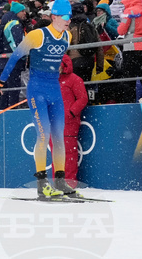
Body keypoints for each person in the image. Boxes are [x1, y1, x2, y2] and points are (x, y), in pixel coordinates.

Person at [0, 0, 77, 199]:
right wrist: (0, 81)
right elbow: (15, 56)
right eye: (65, 16)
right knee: (43, 135)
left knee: (59, 137)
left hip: (54, 89)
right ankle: (42, 184)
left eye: (70, 16)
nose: (69, 20)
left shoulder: (67, 36)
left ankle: (60, 180)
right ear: (54, 16)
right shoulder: (37, 35)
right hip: (37, 89)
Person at [58, 54, 88, 188]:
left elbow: (83, 98)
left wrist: (70, 112)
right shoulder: (52, 81)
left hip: (68, 123)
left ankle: (69, 184)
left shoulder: (74, 80)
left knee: (69, 154)